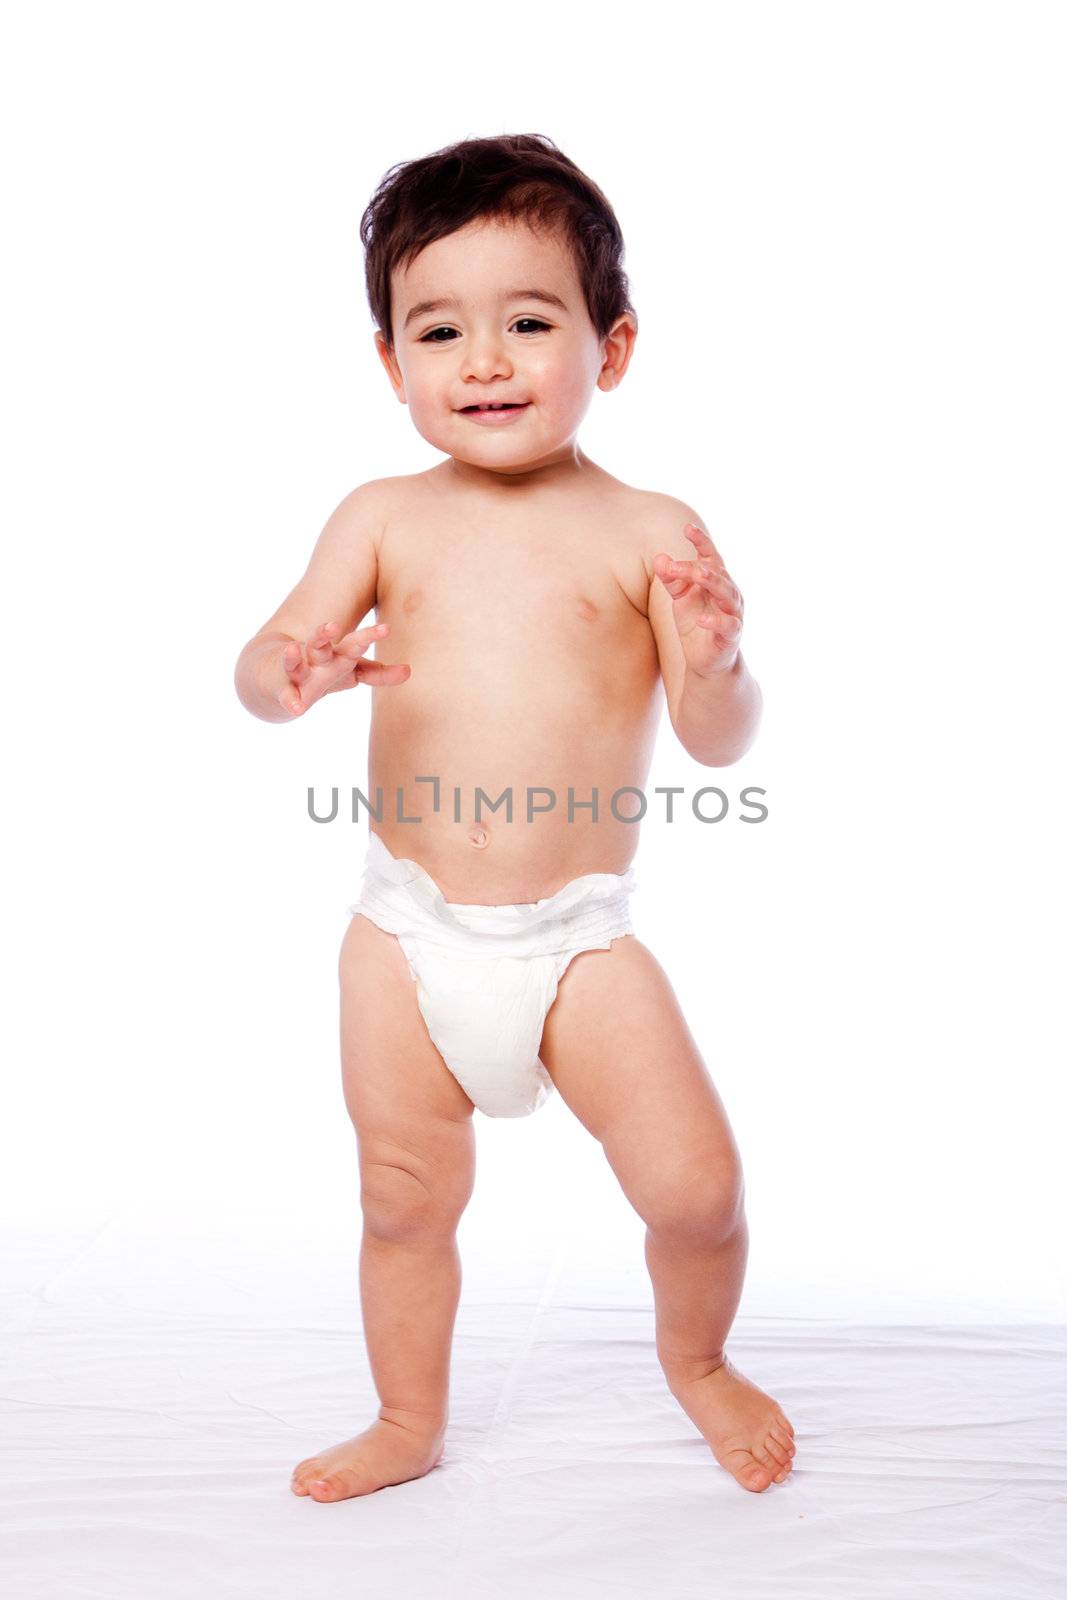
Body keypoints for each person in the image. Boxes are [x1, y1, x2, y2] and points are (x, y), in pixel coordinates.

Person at [234, 132, 795, 1502]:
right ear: (392, 365)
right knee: (404, 1200)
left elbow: (722, 747)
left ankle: (703, 1362)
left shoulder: (645, 530)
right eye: (441, 330)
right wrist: (289, 674)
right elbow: (263, 667)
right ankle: (407, 1419)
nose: (483, 360)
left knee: (692, 1190)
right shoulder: (381, 516)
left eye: (529, 321)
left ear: (612, 348)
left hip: (577, 941)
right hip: (404, 934)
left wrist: (716, 662)